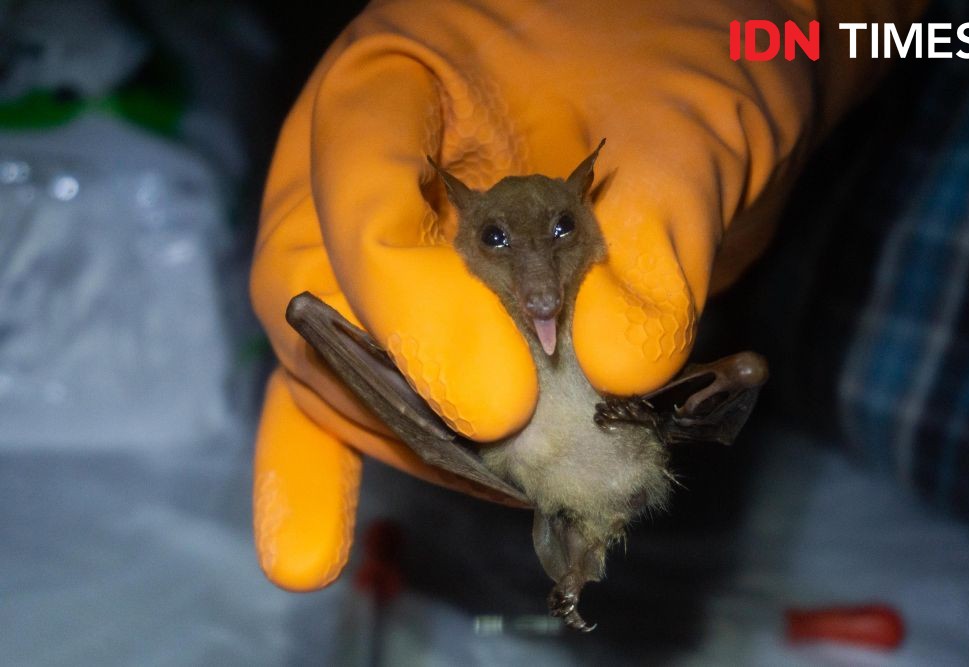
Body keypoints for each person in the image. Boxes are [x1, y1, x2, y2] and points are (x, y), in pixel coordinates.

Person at [250, 0, 925, 591]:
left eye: (563, 228)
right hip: (572, 452)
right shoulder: (462, 309)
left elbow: (929, 40)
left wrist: (786, 35)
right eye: (499, 242)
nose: (539, 264)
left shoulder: (604, 278)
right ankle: (574, 562)